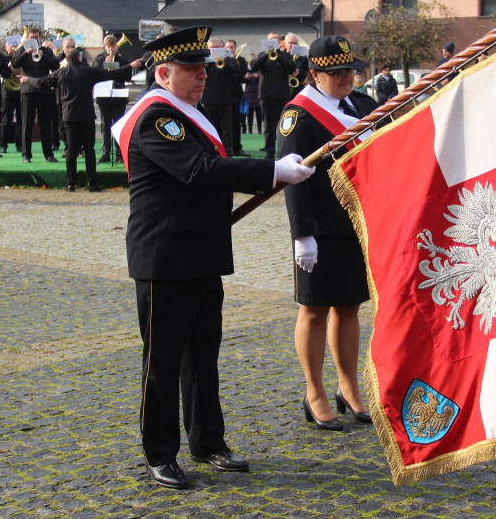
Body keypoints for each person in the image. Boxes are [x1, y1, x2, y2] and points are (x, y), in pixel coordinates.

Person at [118, 25, 314, 489]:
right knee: (162, 363)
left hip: (201, 251)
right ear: (163, 73)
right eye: (191, 69)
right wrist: (272, 171)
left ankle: (208, 442)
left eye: (203, 67)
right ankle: (160, 452)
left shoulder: (189, 112)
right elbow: (200, 171)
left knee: (203, 358)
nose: (202, 75)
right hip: (164, 258)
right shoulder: (157, 118)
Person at [277, 35, 377, 431]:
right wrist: (302, 234)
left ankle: (349, 387)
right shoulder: (298, 115)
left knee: (350, 306)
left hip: (356, 222)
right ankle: (314, 391)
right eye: (336, 73)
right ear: (315, 74)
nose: (346, 78)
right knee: (315, 309)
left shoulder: (364, 106)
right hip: (319, 229)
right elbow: (293, 176)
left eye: (349, 70)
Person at [22, 37, 138, 192]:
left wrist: (27, 79)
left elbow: (41, 82)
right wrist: (130, 65)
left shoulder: (61, 73)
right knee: (89, 149)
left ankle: (70, 183)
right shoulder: (88, 71)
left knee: (71, 149)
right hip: (86, 115)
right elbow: (112, 74)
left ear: (67, 59)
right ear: (79, 57)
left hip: (69, 116)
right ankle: (93, 183)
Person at [12, 27, 60, 163]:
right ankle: (26, 154)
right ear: (28, 38)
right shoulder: (22, 50)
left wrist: (44, 56)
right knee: (27, 123)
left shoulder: (46, 51)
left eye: (37, 37)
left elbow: (56, 65)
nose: (35, 40)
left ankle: (48, 154)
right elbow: (15, 63)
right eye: (32, 37)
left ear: (40, 38)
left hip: (44, 91)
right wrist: (26, 53)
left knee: (46, 124)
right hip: (27, 91)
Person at [92, 35, 141, 163]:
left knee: (118, 125)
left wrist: (117, 67)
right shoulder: (99, 59)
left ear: (116, 46)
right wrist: (104, 65)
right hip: (103, 97)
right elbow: (94, 74)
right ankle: (106, 153)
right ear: (104, 47)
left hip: (119, 95)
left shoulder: (123, 60)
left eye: (113, 46)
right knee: (105, 125)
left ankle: (120, 153)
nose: (110, 49)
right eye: (108, 46)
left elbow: (127, 77)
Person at [248, 31, 295, 159]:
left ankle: (282, 150)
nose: (272, 41)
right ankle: (269, 152)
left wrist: (278, 56)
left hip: (282, 95)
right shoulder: (261, 55)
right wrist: (266, 55)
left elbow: (292, 69)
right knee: (268, 125)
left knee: (283, 125)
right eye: (270, 40)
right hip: (265, 95)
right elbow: (253, 67)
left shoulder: (285, 55)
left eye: (274, 39)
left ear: (279, 42)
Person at [202, 37, 241, 156]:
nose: (215, 50)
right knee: (212, 129)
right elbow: (201, 73)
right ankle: (213, 153)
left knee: (227, 129)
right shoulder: (204, 61)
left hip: (225, 99)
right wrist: (211, 62)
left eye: (217, 48)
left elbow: (237, 73)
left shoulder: (229, 60)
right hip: (209, 100)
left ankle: (227, 153)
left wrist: (223, 63)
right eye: (212, 48)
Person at [226, 39, 248, 156]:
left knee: (236, 122)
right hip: (224, 95)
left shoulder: (240, 60)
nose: (229, 49)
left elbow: (241, 74)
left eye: (232, 47)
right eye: (227, 47)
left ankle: (237, 147)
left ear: (235, 48)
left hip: (235, 95)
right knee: (225, 124)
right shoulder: (223, 60)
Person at [0, 43, 22, 153]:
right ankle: (3, 144)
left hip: (20, 90)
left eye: (15, 45)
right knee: (6, 119)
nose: (13, 47)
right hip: (7, 91)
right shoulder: (3, 59)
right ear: (5, 47)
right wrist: (10, 69)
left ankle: (20, 145)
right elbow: (2, 72)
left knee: (21, 119)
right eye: (10, 45)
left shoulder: (20, 58)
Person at [244, 59, 262, 135]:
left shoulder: (259, 69)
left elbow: (262, 76)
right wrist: (245, 77)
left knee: (259, 114)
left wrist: (257, 76)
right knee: (250, 114)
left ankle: (259, 130)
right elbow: (242, 77)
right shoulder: (246, 69)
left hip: (258, 93)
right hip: (249, 93)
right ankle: (250, 130)